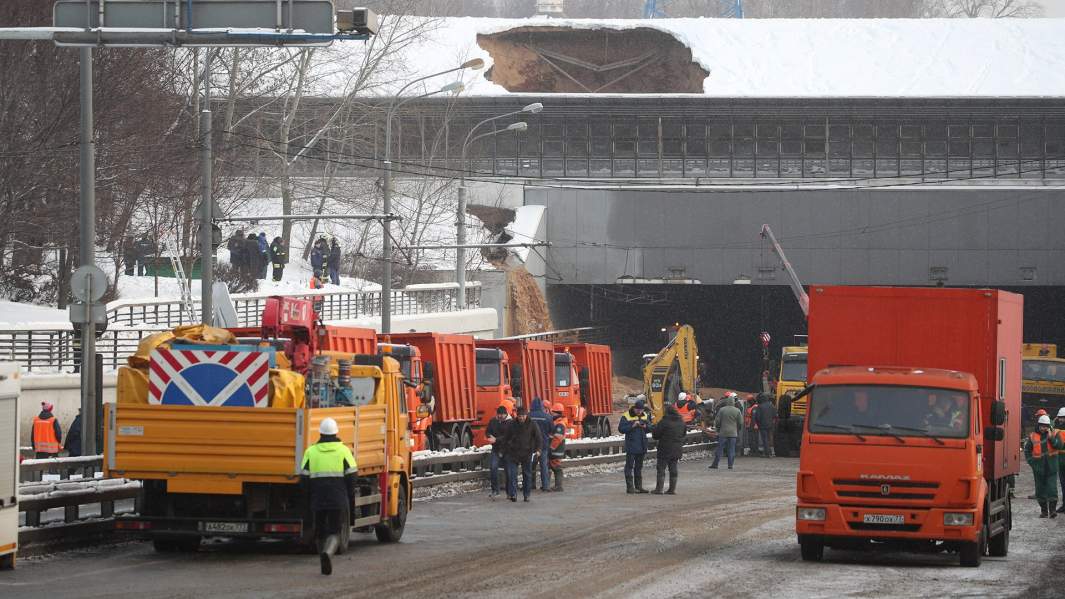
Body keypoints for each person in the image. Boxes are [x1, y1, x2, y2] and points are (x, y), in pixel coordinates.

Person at [299, 417, 356, 575]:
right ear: (336, 433)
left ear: (321, 433)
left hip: (317, 498)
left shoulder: (311, 451)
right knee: (335, 530)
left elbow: (303, 478)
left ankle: (322, 558)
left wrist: (309, 495)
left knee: (319, 530)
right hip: (338, 498)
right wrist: (348, 493)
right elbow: (352, 476)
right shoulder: (343, 451)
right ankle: (328, 553)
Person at [502, 406, 541, 502]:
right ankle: (513, 494)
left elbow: (538, 438)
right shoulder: (511, 424)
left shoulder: (532, 424)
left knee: (527, 475)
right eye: (520, 416)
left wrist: (538, 450)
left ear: (526, 415)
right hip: (513, 453)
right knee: (512, 475)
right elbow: (505, 438)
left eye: (523, 416)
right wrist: (505, 450)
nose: (521, 418)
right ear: (517, 416)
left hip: (527, 452)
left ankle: (526, 495)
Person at [1024, 414, 1059, 518]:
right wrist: (1031, 463)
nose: (1043, 428)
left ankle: (1052, 511)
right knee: (1040, 491)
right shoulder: (1033, 436)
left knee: (1052, 490)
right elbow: (1027, 450)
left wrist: (1051, 438)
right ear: (1038, 425)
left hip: (1051, 468)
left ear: (1048, 426)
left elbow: (1059, 445)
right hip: (1038, 469)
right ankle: (1044, 511)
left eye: (1045, 426)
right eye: (1042, 426)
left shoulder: (1053, 434)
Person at [651, 403, 686, 495]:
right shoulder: (681, 422)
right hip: (677, 449)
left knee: (661, 469)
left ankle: (659, 489)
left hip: (665, 449)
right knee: (673, 468)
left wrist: (654, 428)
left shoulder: (664, 422)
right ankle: (672, 489)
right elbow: (683, 434)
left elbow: (656, 435)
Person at [619, 398, 651, 494]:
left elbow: (650, 428)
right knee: (629, 467)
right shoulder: (626, 416)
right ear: (634, 408)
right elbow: (621, 429)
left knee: (639, 467)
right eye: (638, 410)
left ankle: (639, 487)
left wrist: (645, 427)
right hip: (631, 445)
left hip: (642, 445)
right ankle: (630, 488)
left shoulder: (645, 415)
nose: (639, 412)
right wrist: (632, 425)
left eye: (641, 410)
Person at [485, 406, 511, 498]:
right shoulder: (493, 421)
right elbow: (487, 431)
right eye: (498, 414)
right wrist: (489, 436)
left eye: (502, 415)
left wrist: (496, 439)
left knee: (508, 471)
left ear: (506, 414)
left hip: (507, 450)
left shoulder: (510, 422)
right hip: (496, 449)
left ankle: (509, 492)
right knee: (493, 467)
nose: (500, 416)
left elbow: (509, 437)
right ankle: (495, 490)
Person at [710, 396, 743, 470]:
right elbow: (740, 422)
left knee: (720, 448)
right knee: (731, 449)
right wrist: (737, 429)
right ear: (733, 402)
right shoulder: (737, 410)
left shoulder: (722, 410)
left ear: (727, 402)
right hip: (733, 433)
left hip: (723, 432)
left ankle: (715, 464)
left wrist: (718, 428)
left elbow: (717, 421)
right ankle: (730, 465)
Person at [529, 397, 553, 491]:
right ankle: (545, 486)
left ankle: (531, 485)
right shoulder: (548, 417)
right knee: (544, 466)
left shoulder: (528, 416)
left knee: (530, 466)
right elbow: (551, 430)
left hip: (531, 445)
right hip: (544, 445)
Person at [548, 403, 567, 492]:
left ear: (556, 412)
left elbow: (557, 438)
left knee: (556, 467)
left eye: (552, 412)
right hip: (557, 449)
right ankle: (557, 486)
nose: (551, 414)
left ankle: (559, 486)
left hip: (556, 449)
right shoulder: (558, 422)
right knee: (553, 466)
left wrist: (551, 448)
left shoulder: (560, 424)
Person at [754, 392, 776, 457]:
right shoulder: (771, 405)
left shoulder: (760, 406)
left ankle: (767, 453)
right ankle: (770, 452)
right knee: (769, 438)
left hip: (762, 425)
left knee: (764, 439)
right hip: (770, 425)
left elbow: (757, 417)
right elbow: (774, 415)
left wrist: (758, 423)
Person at [1055, 408, 1065, 513]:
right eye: (1060, 417)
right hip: (1060, 459)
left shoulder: (1058, 430)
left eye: (1063, 418)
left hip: (1062, 459)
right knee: (1063, 484)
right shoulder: (1057, 429)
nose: (1061, 420)